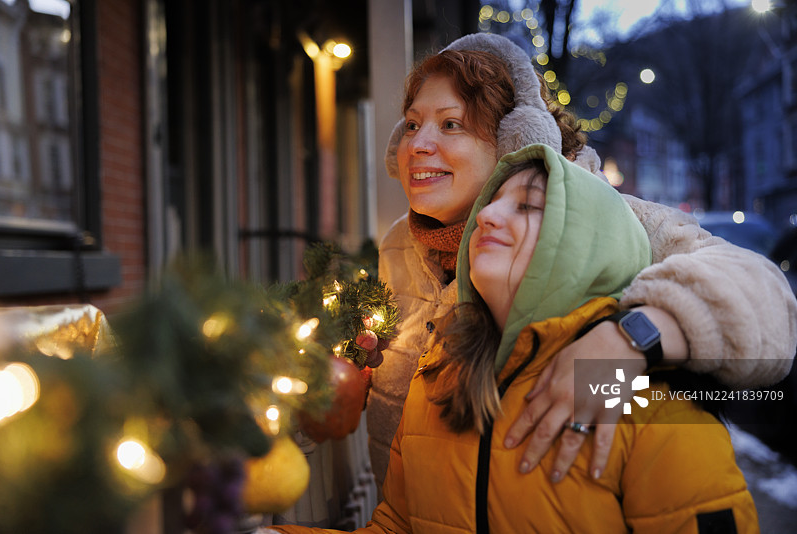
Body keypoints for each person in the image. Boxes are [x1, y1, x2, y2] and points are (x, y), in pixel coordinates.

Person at [365, 32, 797, 492]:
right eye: (412, 125)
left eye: (451, 124)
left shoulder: (612, 224)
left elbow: (770, 305)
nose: (418, 145)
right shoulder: (401, 243)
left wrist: (632, 340)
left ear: (516, 139)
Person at [272, 144, 759, 533]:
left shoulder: (645, 399)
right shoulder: (438, 375)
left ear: (585, 246)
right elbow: (397, 526)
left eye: (528, 207)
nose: (486, 217)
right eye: (491, 203)